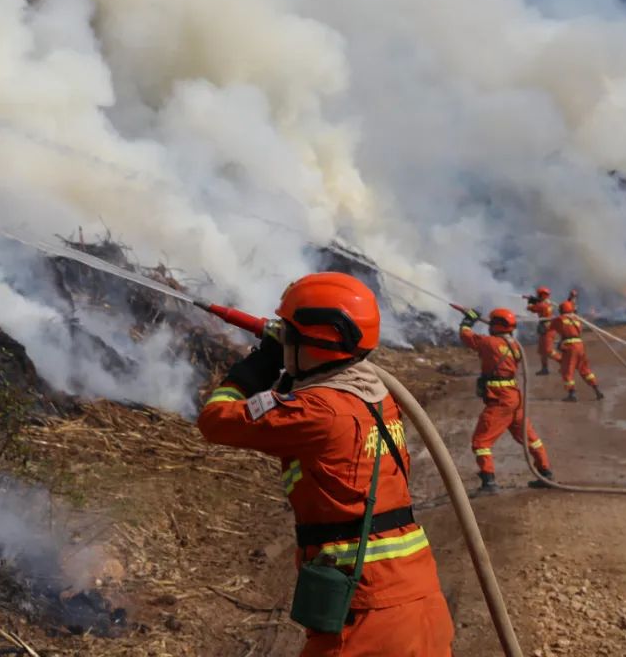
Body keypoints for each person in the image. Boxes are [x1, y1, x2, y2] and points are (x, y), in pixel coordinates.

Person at [198, 272, 453, 656]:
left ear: (316, 343)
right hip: (418, 600)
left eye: (288, 333)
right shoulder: (376, 396)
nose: (282, 339)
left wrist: (258, 366)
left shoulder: (317, 412)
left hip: (366, 616)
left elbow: (215, 419)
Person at [458, 306, 555, 494]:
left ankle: (489, 483)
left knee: (481, 442)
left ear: (497, 325)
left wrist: (468, 320)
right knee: (530, 438)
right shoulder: (515, 345)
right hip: (514, 397)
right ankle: (545, 472)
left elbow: (466, 337)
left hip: (500, 399)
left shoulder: (490, 343)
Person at [549, 300, 604, 402]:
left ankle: (572, 394)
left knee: (567, 370)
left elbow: (550, 327)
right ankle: (597, 390)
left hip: (570, 346)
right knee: (585, 369)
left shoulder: (560, 319)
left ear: (561, 310)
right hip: (580, 345)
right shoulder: (576, 319)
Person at [524, 286, 555, 375]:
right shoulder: (547, 303)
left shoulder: (542, 305)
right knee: (542, 351)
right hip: (545, 328)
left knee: (548, 351)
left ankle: (563, 362)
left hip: (546, 329)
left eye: (538, 294)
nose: (537, 295)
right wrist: (535, 300)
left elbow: (530, 308)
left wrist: (530, 301)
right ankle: (544, 369)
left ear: (542, 295)